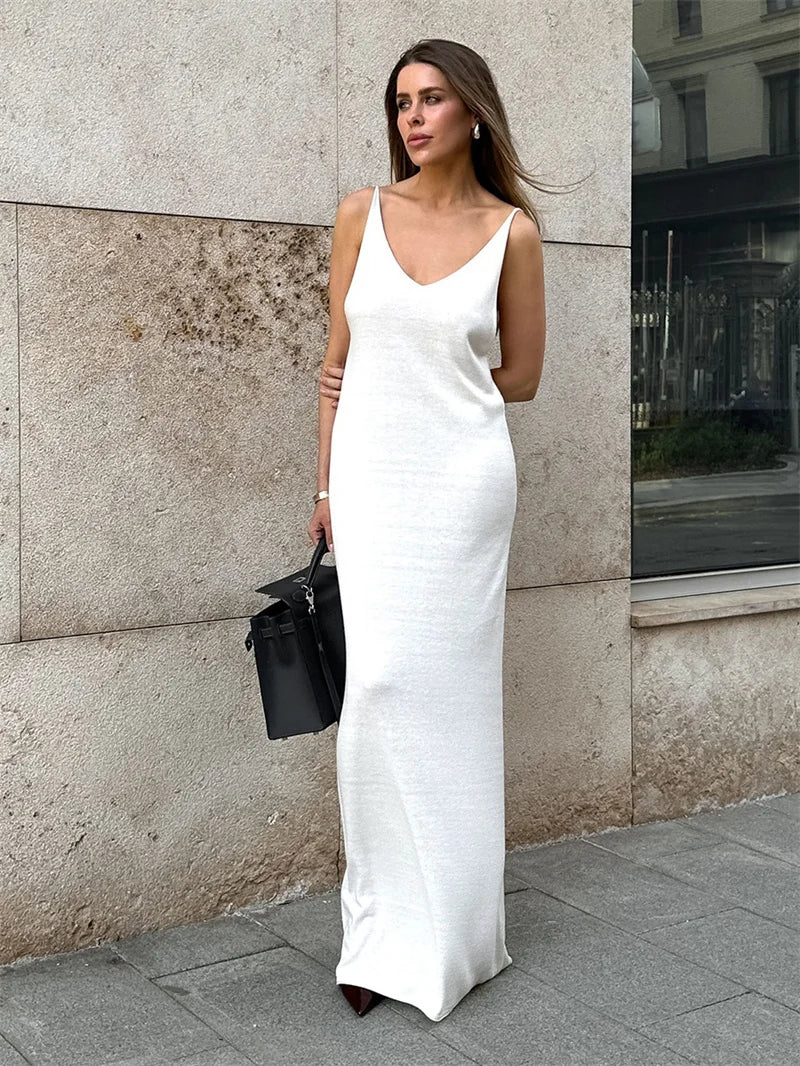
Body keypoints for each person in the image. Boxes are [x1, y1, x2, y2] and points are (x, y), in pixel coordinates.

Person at [307, 38, 547, 1023]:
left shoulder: (511, 235)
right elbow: (334, 365)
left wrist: (431, 409)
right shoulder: (360, 213)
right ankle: (374, 933)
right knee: (375, 692)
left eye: (433, 98)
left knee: (447, 705)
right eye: (401, 101)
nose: (413, 117)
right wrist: (326, 484)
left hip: (460, 490)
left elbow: (522, 376)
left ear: (472, 113)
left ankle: (454, 931)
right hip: (369, 489)